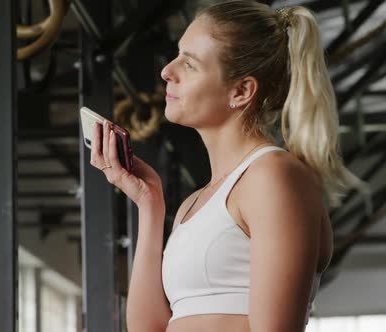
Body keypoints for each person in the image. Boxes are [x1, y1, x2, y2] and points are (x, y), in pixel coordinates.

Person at [90, 1, 364, 331]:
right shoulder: (194, 204)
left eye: (189, 65)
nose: (167, 71)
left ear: (241, 91)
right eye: (178, 54)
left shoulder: (273, 176)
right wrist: (150, 206)